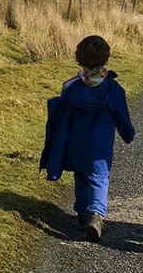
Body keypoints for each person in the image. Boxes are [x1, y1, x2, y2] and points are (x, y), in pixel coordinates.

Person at [40, 35, 136, 242]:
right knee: (99, 178)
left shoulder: (71, 88)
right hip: (99, 147)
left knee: (81, 176)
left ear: (79, 58)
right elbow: (122, 116)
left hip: (75, 144)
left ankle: (83, 214)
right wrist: (128, 134)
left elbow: (61, 115)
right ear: (106, 57)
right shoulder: (113, 89)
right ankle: (96, 215)